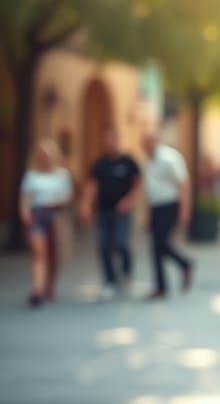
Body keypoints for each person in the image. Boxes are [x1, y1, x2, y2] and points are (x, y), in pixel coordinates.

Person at [80, 125, 141, 300]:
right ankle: (110, 281)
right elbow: (91, 186)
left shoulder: (128, 162)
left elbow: (138, 184)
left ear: (118, 139)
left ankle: (126, 272)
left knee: (121, 242)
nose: (110, 142)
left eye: (113, 138)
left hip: (122, 211)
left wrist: (129, 201)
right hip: (104, 211)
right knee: (104, 245)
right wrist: (86, 205)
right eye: (107, 139)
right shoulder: (99, 164)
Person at [19, 139, 73, 307]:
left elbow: (67, 197)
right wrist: (25, 215)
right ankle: (38, 289)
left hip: (55, 215)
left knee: (53, 254)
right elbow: (24, 198)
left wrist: (55, 203)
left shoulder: (62, 174)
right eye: (41, 155)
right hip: (37, 215)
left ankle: (50, 286)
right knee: (39, 253)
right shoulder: (31, 175)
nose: (44, 158)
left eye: (47, 155)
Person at [141, 130, 194, 300]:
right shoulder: (146, 163)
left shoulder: (170, 158)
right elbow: (149, 191)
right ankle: (162, 285)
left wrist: (184, 210)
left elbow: (183, 183)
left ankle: (183, 265)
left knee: (160, 244)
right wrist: (147, 214)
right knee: (156, 247)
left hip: (169, 205)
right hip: (156, 207)